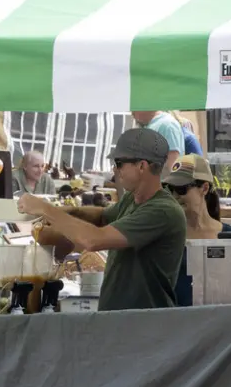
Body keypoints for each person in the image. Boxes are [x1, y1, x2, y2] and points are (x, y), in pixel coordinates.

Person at [20, 128, 184, 312]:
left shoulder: (162, 211)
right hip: (120, 318)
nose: (114, 169)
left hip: (142, 322)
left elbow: (93, 240)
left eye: (119, 163)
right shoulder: (132, 200)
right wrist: (65, 212)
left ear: (142, 166)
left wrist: (45, 209)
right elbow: (101, 216)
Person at [162, 154, 224, 306]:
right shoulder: (166, 236)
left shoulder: (230, 237)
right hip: (179, 318)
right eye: (170, 189)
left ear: (204, 188)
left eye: (181, 189)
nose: (175, 196)